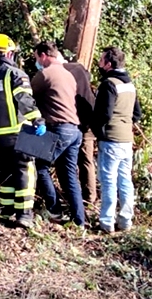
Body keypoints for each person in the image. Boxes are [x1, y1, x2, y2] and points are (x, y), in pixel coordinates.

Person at [0, 33, 45, 229]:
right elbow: (24, 100)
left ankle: (5, 212)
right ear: (9, 53)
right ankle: (25, 215)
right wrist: (38, 120)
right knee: (25, 171)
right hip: (18, 134)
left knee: (5, 173)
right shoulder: (15, 74)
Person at [30, 41, 85, 227]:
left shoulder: (44, 74)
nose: (37, 61)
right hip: (74, 130)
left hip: (58, 129)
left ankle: (55, 211)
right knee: (69, 175)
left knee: (40, 166)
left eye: (37, 57)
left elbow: (27, 96)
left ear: (44, 55)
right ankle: (79, 220)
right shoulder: (68, 75)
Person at [92, 46, 143, 233]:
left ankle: (106, 222)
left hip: (111, 139)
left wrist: (98, 131)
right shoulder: (130, 85)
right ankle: (125, 221)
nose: (99, 62)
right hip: (126, 140)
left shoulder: (109, 84)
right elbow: (137, 114)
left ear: (108, 63)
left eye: (101, 59)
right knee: (125, 181)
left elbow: (104, 114)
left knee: (108, 181)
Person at [59, 49, 98, 209]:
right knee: (86, 161)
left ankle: (78, 197)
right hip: (88, 121)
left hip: (76, 122)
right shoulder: (80, 69)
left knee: (68, 161)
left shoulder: (63, 73)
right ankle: (89, 198)